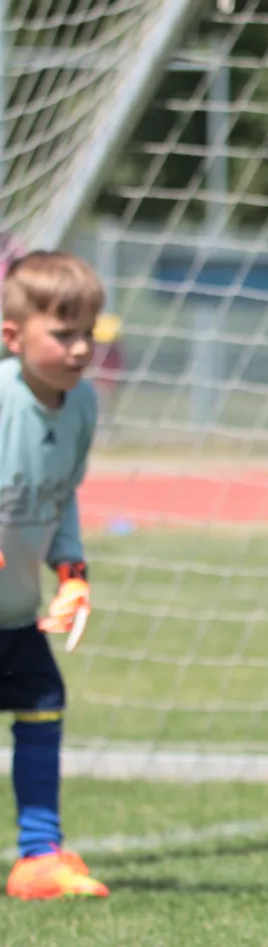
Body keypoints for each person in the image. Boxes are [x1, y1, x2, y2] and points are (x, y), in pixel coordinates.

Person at [0, 253, 103, 899]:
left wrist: (72, 570)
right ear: (12, 336)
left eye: (89, 332)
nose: (81, 348)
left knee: (41, 702)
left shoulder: (83, 403)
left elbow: (62, 495)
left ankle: (39, 857)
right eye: (64, 334)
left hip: (15, 610)